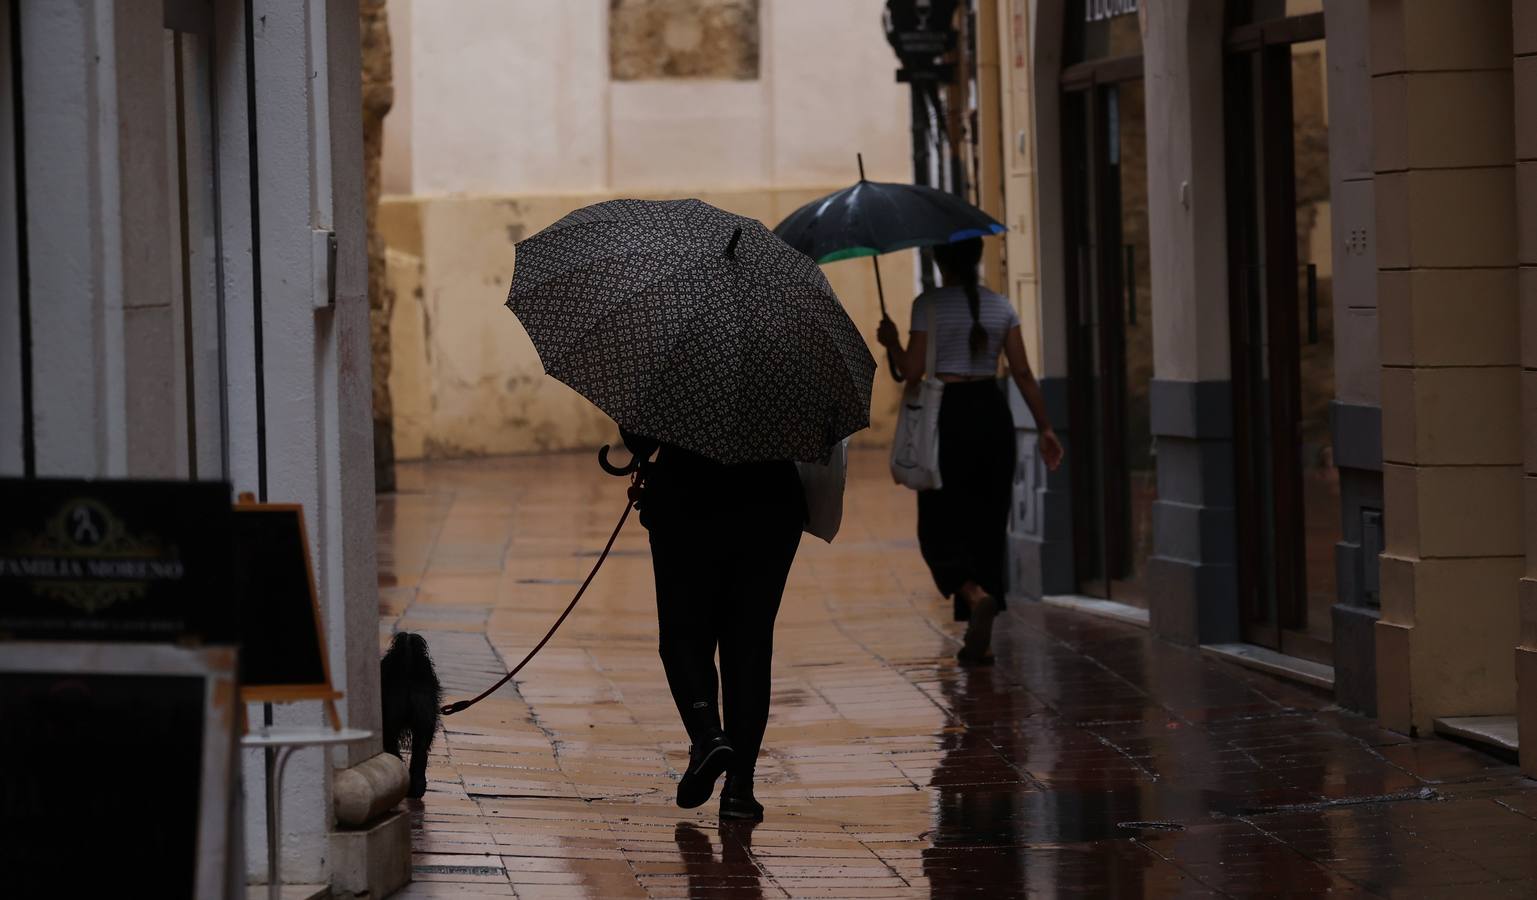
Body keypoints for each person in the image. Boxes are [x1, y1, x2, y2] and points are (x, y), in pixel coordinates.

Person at [876, 238, 1063, 664]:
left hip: (948, 420)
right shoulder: (1002, 306)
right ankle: (984, 634)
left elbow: (912, 371)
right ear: (977, 259)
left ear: (941, 261)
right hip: (993, 416)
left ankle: (972, 592)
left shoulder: (928, 305)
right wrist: (1046, 428)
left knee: (938, 524)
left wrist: (890, 342)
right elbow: (1022, 372)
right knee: (988, 522)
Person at [621, 429, 805, 822]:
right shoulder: (790, 368)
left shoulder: (674, 365)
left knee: (683, 635)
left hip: (687, 495)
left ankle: (707, 735)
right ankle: (740, 788)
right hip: (770, 499)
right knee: (750, 643)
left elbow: (639, 437)